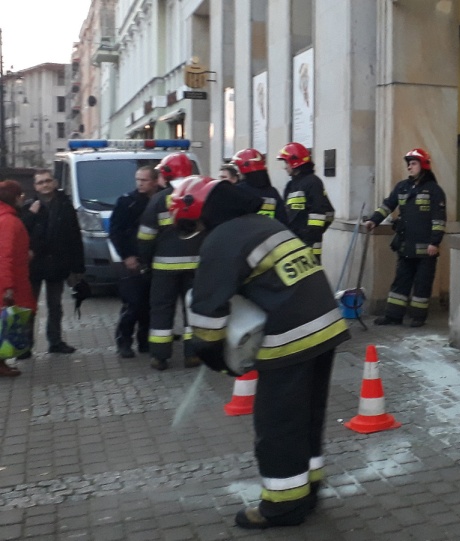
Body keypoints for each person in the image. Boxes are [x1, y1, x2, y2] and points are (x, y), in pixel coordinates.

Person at [172, 176, 349, 529]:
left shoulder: (222, 239)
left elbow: (207, 315)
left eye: (192, 222)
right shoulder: (265, 225)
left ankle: (282, 507)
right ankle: (308, 488)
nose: (195, 229)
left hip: (291, 336)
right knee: (307, 416)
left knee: (278, 424)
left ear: (200, 213)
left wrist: (210, 353)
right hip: (326, 326)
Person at [363, 148, 446, 328]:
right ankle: (393, 316)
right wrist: (373, 220)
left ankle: (418, 317)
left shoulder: (434, 190)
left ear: (423, 165)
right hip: (405, 245)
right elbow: (387, 205)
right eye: (408, 163)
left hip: (426, 248)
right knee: (401, 281)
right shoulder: (402, 187)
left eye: (413, 163)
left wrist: (435, 242)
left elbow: (439, 219)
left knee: (422, 284)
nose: (409, 166)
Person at [138, 152, 201, 371]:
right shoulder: (201, 195)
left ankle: (160, 356)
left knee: (161, 310)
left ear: (166, 174)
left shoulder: (158, 200)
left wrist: (144, 262)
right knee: (193, 309)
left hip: (164, 268)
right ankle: (192, 354)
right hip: (196, 266)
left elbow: (146, 236)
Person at [19, 170, 85, 355]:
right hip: (34, 265)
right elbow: (20, 231)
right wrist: (31, 214)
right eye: (40, 182)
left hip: (57, 264)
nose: (45, 185)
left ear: (54, 183)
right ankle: (25, 345)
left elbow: (75, 236)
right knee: (29, 306)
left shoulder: (65, 205)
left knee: (55, 305)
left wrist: (78, 267)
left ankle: (55, 342)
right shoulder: (29, 206)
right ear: (35, 186)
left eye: (48, 181)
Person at [109, 166, 160, 358]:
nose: (139, 183)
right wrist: (126, 256)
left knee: (149, 304)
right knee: (133, 304)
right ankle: (124, 341)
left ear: (155, 181)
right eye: (138, 179)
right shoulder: (126, 202)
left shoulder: (160, 200)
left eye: (144, 180)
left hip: (154, 260)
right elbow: (115, 232)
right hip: (133, 260)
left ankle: (144, 341)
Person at [0, 181, 37, 377]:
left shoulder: (6, 217)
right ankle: (1, 364)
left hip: (14, 278)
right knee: (6, 323)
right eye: (21, 195)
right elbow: (4, 255)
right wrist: (7, 287)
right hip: (11, 281)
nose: (23, 198)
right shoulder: (8, 221)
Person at [276, 142, 334, 262]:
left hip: (309, 246)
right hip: (293, 242)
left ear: (294, 162)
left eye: (286, 162)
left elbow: (323, 213)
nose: (285, 167)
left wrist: (309, 236)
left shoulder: (313, 182)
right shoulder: (291, 185)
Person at [232, 148, 288, 223]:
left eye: (238, 169)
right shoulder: (272, 192)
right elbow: (283, 219)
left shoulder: (238, 191)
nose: (238, 173)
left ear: (244, 168)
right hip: (270, 232)